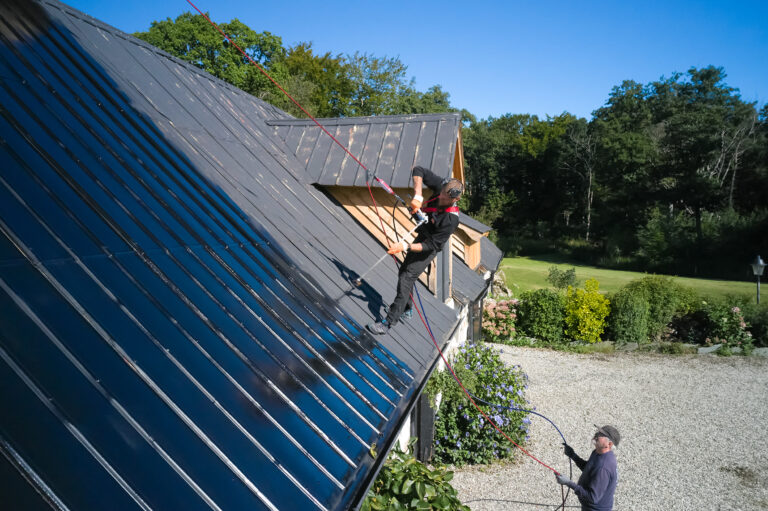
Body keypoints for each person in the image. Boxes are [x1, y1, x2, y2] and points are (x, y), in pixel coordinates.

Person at [366, 166, 463, 335]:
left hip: (428, 247)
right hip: (423, 235)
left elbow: (432, 245)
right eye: (441, 193)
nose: (440, 196)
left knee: (406, 277)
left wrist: (405, 246)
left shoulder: (451, 220)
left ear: (455, 199)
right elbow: (419, 170)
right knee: (404, 271)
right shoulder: (443, 187)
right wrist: (418, 196)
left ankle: (388, 322)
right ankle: (407, 309)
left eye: (445, 197)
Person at [555, 425, 620, 511]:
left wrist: (568, 483)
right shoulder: (598, 452)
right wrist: (573, 455)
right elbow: (590, 470)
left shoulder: (603, 467)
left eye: (601, 435)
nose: (597, 435)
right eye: (598, 432)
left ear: (609, 444)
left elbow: (592, 498)